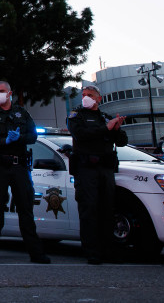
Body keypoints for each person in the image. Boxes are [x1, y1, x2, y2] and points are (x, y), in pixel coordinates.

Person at [0, 80, 50, 264]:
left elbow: (33, 136)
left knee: (25, 210)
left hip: (19, 166)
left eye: (1, 91)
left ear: (10, 93)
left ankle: (36, 253)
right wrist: (4, 142)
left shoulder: (22, 113)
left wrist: (20, 138)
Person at [67, 85, 128, 265]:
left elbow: (123, 141)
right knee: (89, 210)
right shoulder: (76, 116)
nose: (85, 98)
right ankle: (92, 252)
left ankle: (108, 250)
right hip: (86, 170)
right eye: (84, 95)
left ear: (98, 98)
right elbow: (80, 135)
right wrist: (106, 129)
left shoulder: (105, 118)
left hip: (105, 170)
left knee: (107, 210)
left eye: (90, 95)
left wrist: (115, 128)